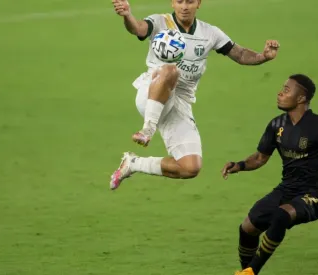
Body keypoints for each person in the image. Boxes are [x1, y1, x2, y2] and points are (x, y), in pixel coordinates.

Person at [110, 0, 280, 189]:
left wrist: (263, 56)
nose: (184, 6)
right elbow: (139, 29)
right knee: (170, 70)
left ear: (198, 3)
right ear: (172, 3)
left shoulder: (210, 33)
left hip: (180, 101)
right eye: (179, 1)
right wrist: (127, 16)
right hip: (151, 93)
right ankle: (147, 130)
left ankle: (133, 164)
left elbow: (239, 54)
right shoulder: (160, 22)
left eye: (190, 1)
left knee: (190, 167)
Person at [221, 74, 318, 275]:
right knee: (248, 227)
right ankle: (246, 271)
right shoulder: (277, 125)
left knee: (281, 215)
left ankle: (251, 272)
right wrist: (239, 165)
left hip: (314, 195)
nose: (280, 93)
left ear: (301, 98)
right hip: (287, 189)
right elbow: (260, 158)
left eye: (286, 90)